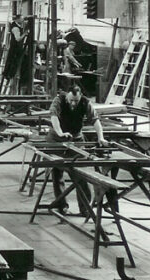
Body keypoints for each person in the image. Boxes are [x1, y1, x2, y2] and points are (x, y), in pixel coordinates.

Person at [47, 85, 110, 213]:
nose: (73, 103)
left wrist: (101, 137)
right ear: (67, 96)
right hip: (57, 139)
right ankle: (61, 205)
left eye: (76, 100)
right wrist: (60, 133)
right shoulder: (58, 100)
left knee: (81, 172)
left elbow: (95, 120)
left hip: (76, 138)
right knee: (57, 171)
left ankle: (85, 208)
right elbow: (54, 117)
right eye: (71, 100)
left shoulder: (85, 102)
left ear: (80, 96)